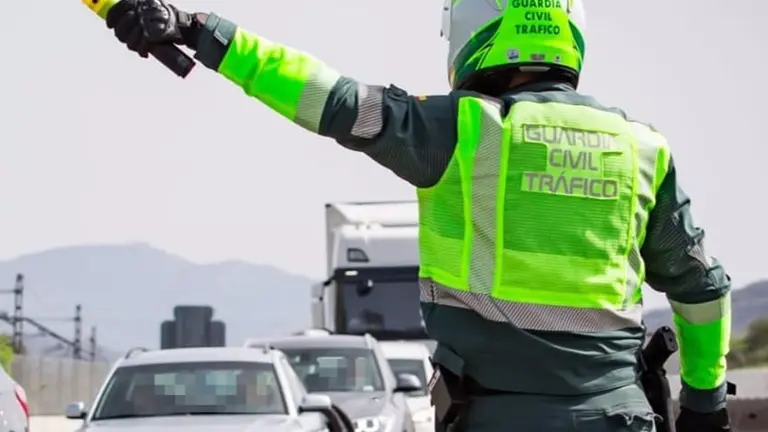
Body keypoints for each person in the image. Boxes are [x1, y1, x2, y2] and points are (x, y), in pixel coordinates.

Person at [104, 0, 733, 430]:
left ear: (473, 29)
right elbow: (702, 289)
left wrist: (201, 29)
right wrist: (704, 401)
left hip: (496, 417)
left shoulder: (459, 129)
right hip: (619, 415)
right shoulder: (642, 147)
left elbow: (325, 95)